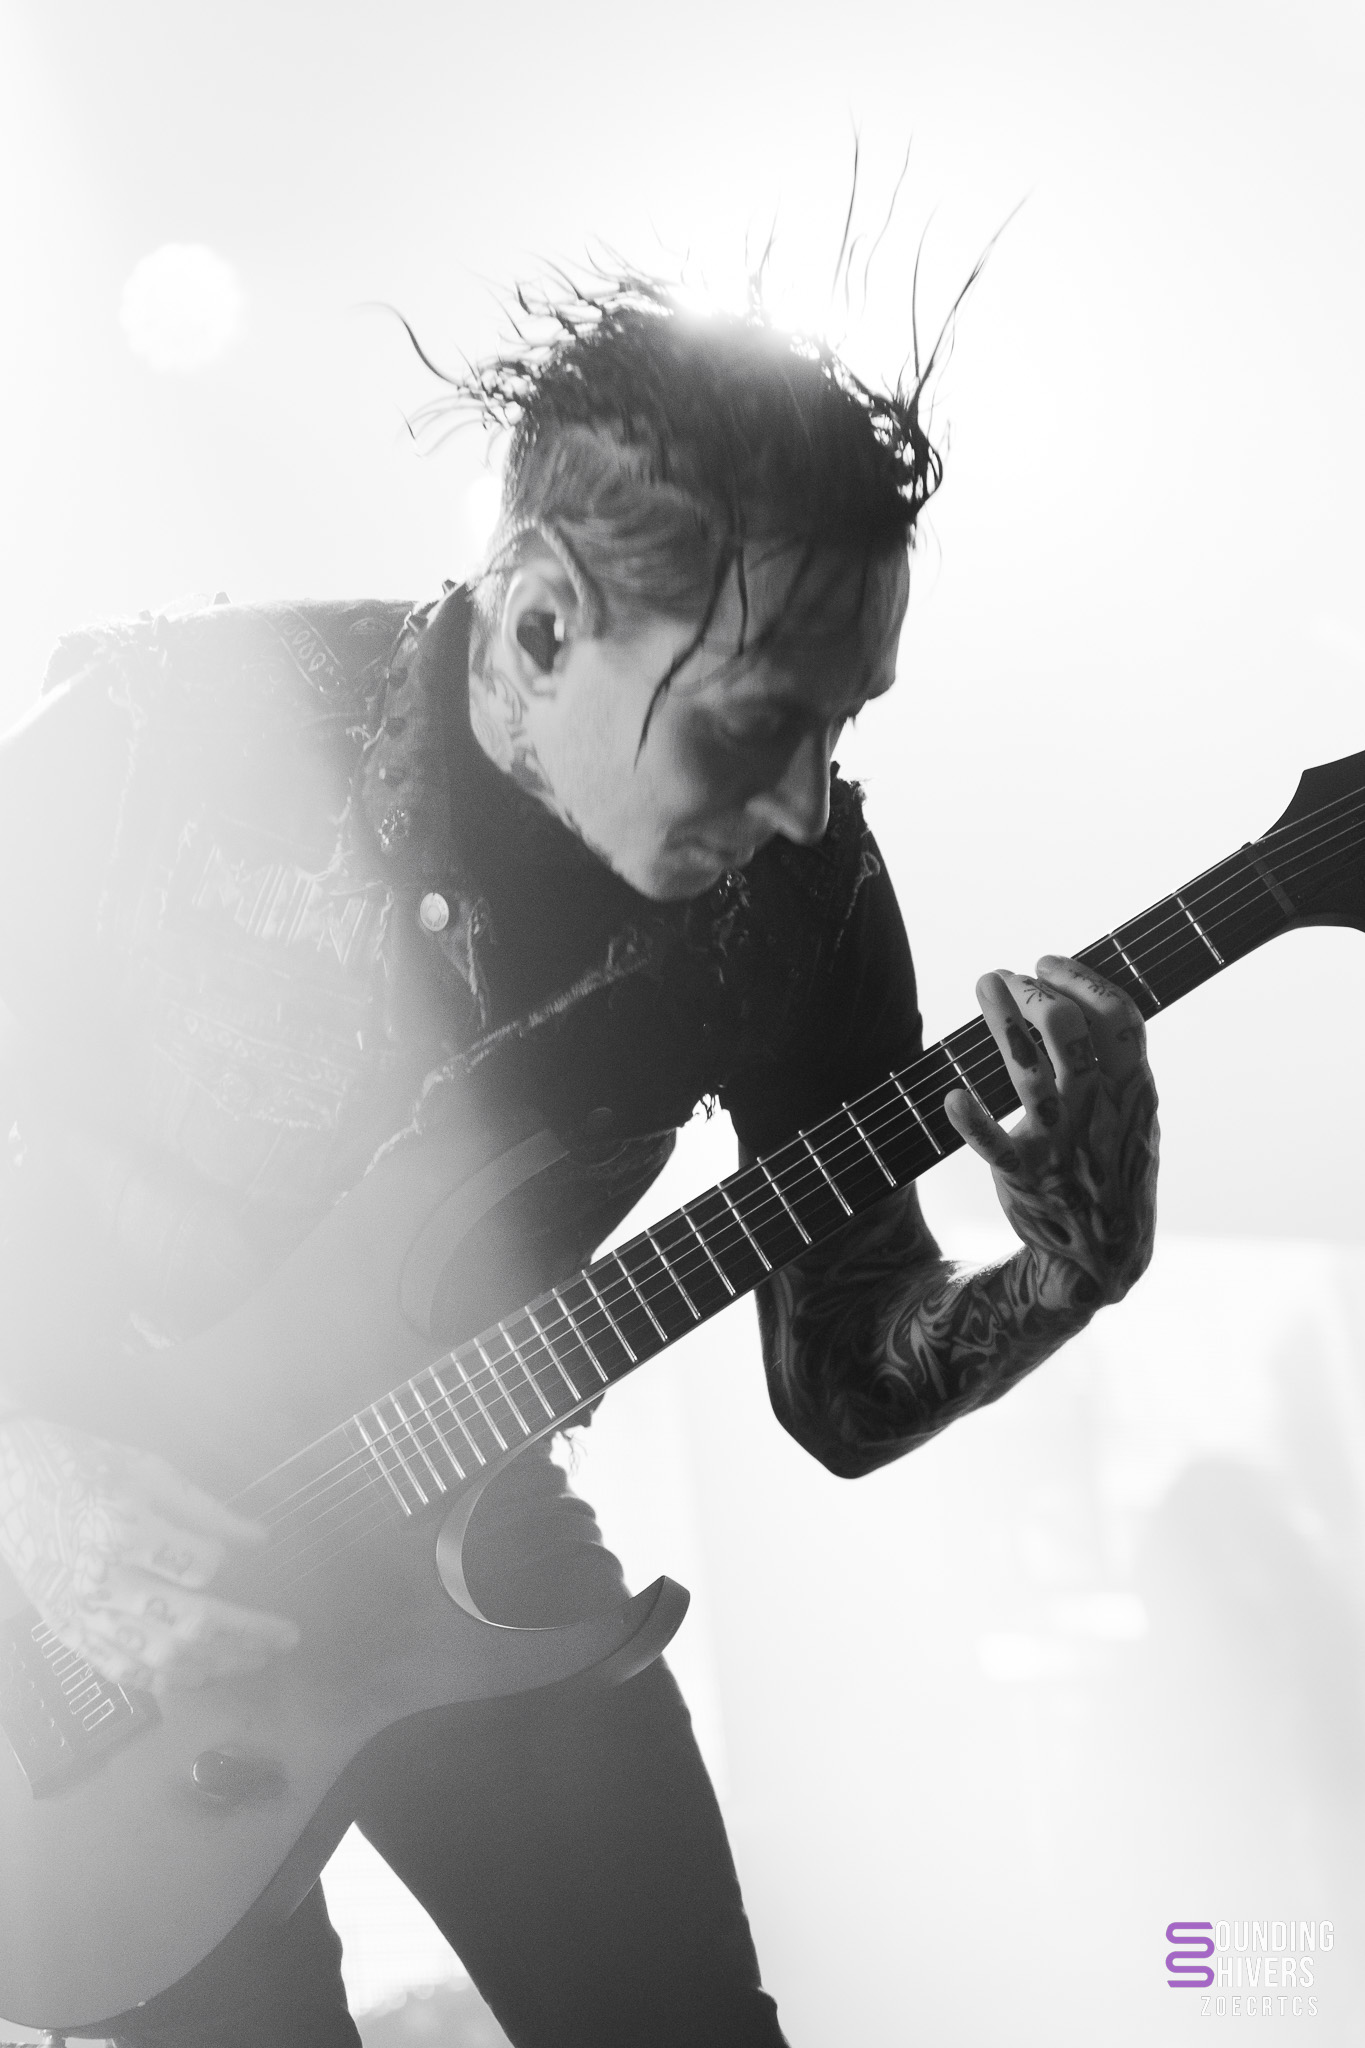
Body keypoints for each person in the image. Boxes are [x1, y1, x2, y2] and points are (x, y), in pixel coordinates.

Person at [0, 277, 1159, 2047]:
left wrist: (1063, 1271)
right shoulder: (167, 732)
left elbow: (842, 1386)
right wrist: (32, 1479)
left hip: (473, 1555)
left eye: (842, 725)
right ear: (542, 621)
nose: (804, 800)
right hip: (77, 1632)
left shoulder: (803, 905)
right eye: (753, 724)